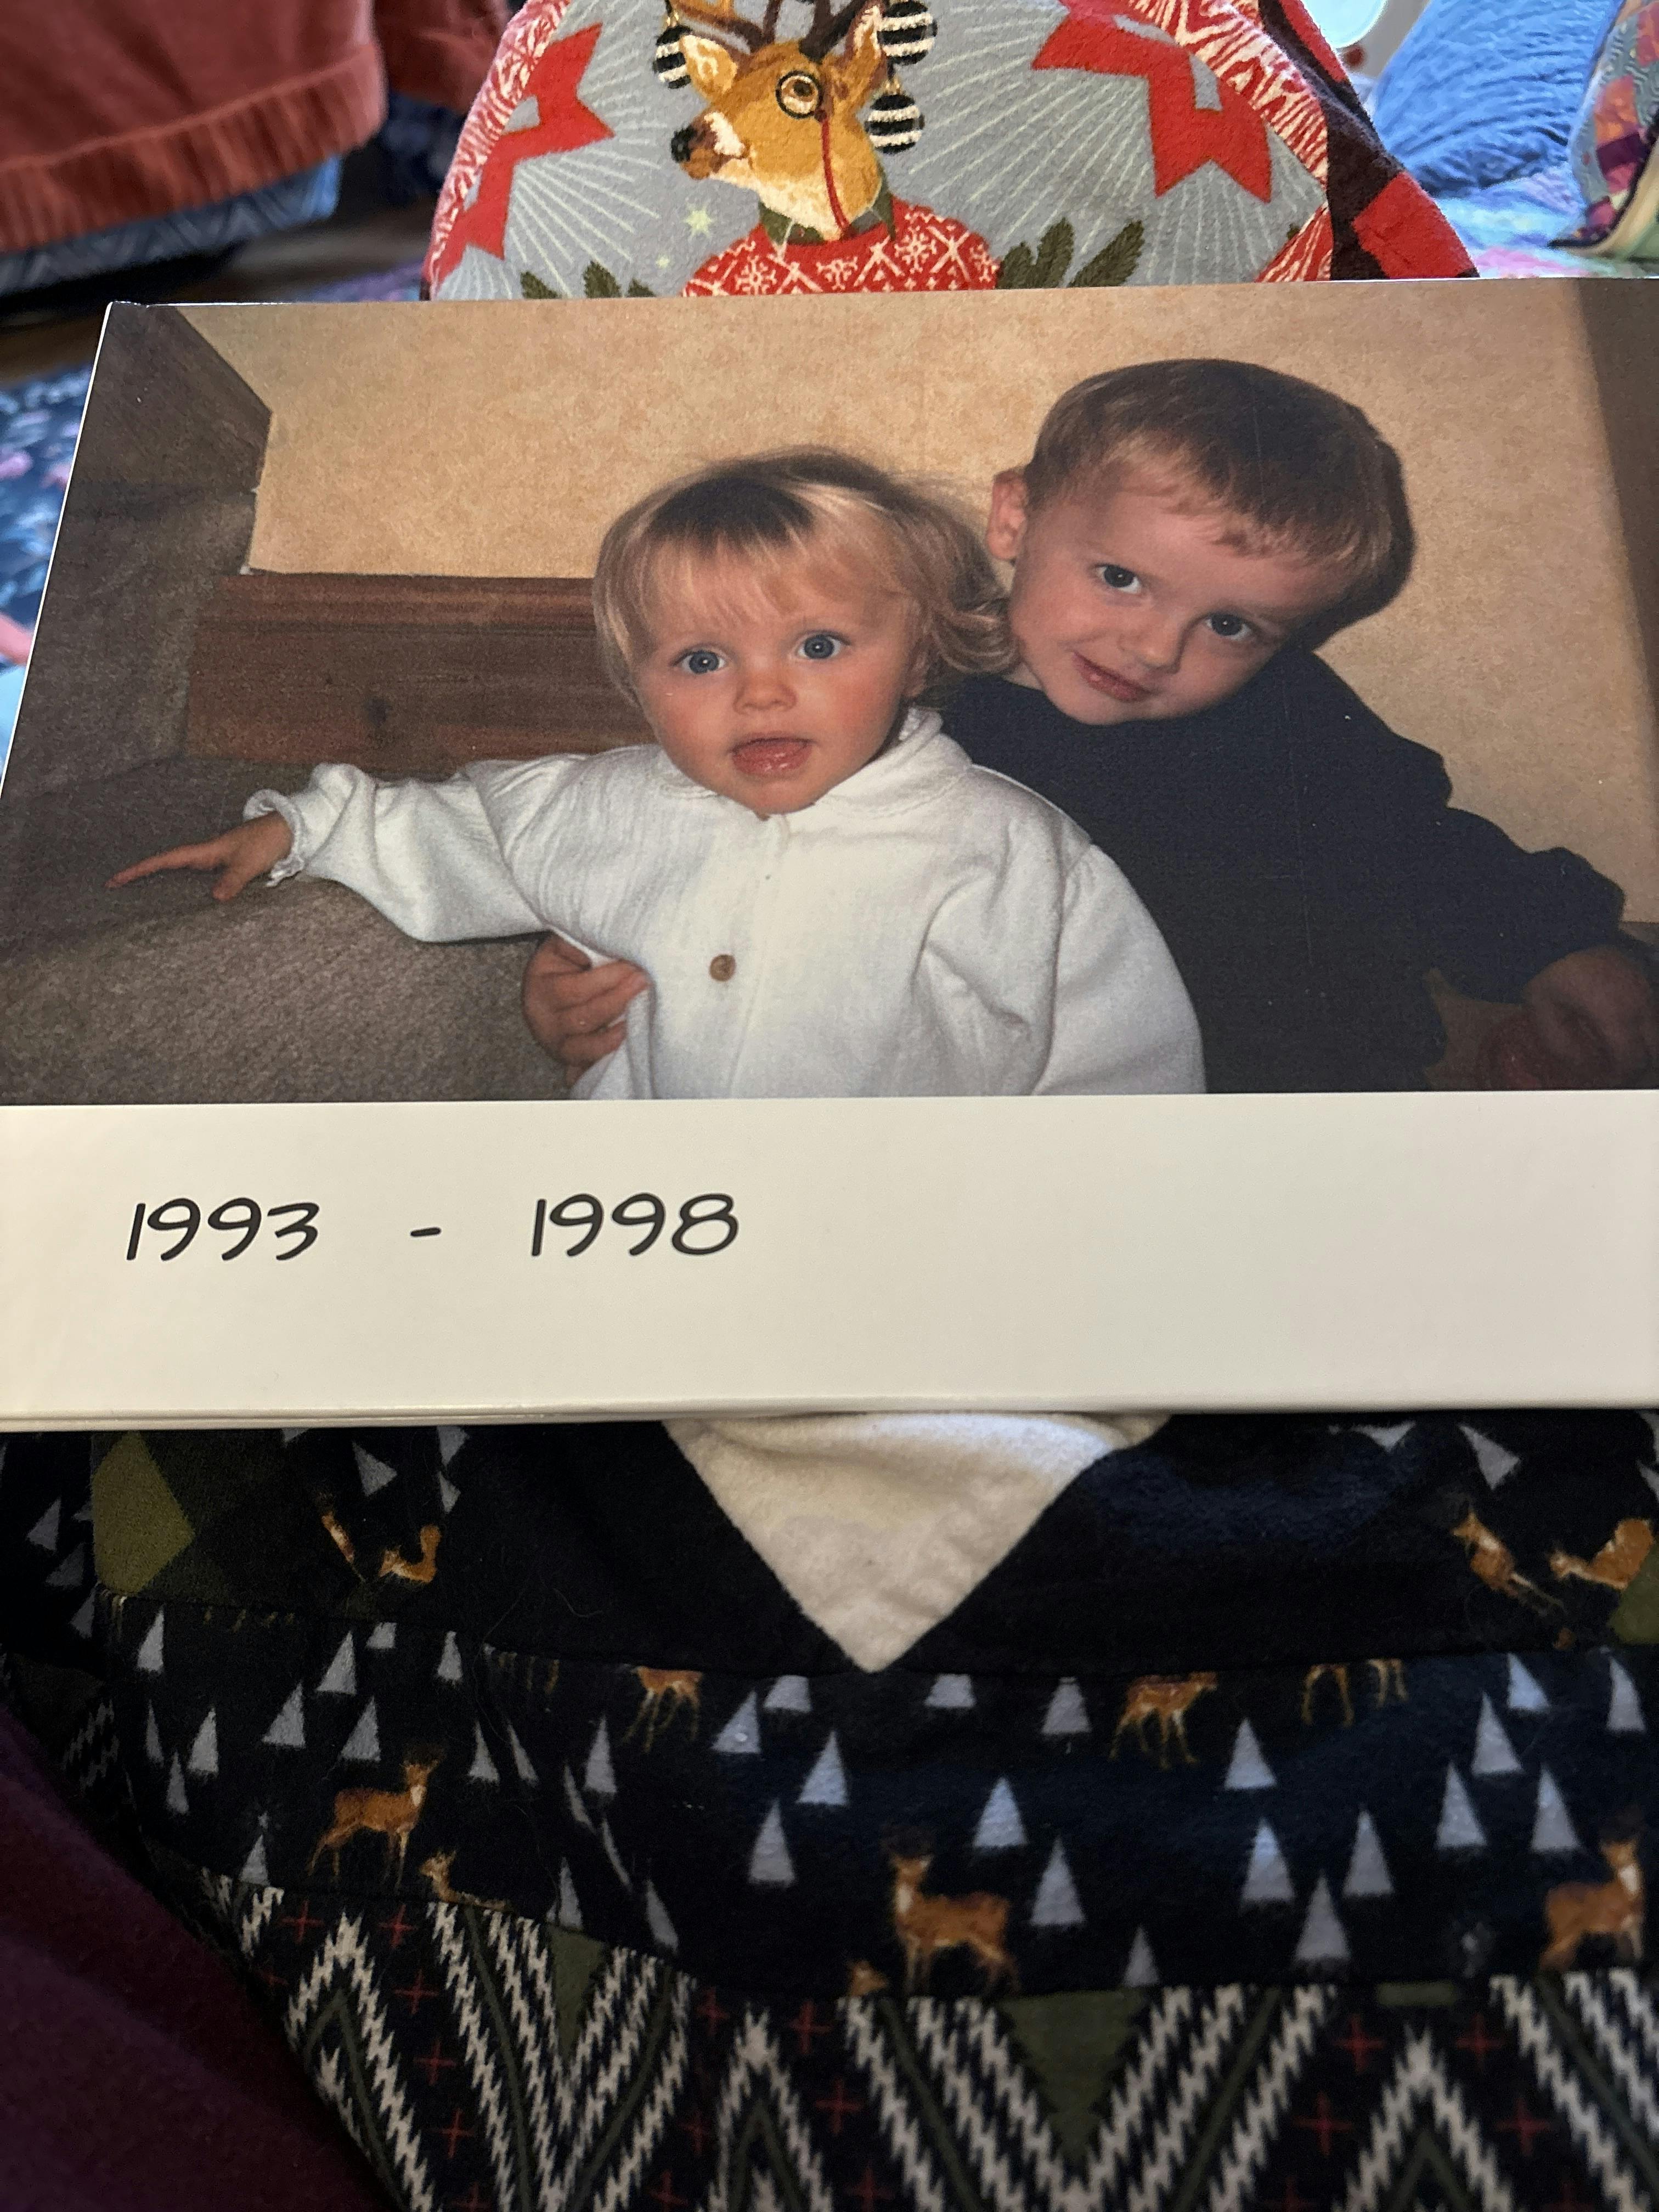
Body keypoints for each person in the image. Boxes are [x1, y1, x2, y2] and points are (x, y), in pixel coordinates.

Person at [527, 362, 1659, 1096]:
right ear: (1016, 515)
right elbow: (716, 843)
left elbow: (1419, 840)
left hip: (1333, 1101)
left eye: (1231, 625)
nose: (1156, 648)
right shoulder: (896, 717)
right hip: (1049, 1134)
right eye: (1120, 577)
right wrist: (590, 956)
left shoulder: (1285, 712)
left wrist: (1562, 947)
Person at [109, 449, 1201, 1102]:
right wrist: (303, 830)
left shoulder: (1008, 847)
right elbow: (459, 828)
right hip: (650, 1227)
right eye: (701, 662)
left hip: (913, 1240)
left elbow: (1121, 1058)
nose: (761, 694)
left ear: (916, 658)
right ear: (639, 686)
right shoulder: (606, 804)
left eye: (820, 647)